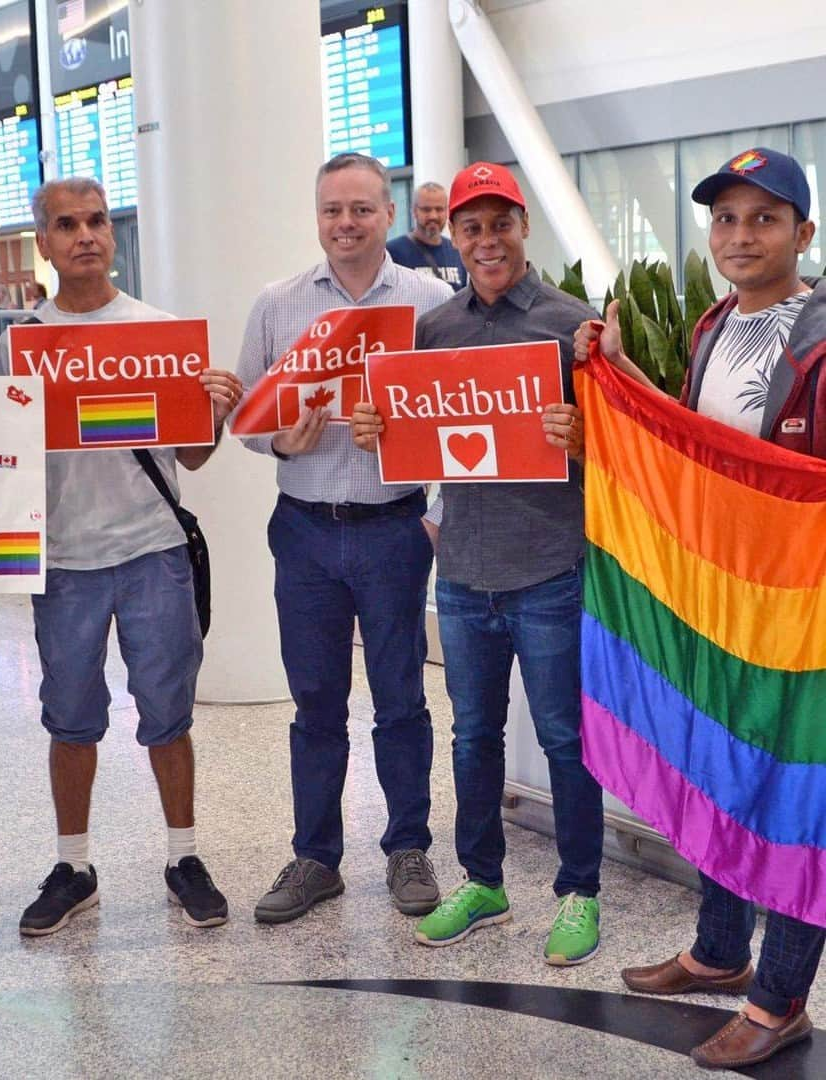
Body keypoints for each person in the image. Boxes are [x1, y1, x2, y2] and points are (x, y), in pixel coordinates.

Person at [575, 147, 825, 1070]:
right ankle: (721, 952)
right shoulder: (714, 327)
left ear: (803, 233)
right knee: (721, 766)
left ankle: (778, 999)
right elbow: (694, 452)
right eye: (726, 218)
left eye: (764, 218)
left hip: (805, 613)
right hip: (723, 598)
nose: (740, 234)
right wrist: (616, 380)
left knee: (801, 798)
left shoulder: (824, 334)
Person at [353, 161, 605, 965]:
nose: (486, 241)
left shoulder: (574, 325)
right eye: (471, 227)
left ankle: (580, 891)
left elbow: (619, 453)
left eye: (500, 224)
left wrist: (587, 440)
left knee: (567, 741)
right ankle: (485, 881)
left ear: (523, 227)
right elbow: (418, 434)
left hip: (550, 566)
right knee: (473, 738)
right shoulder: (436, 330)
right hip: (461, 571)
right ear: (453, 236)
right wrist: (378, 429)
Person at [0, 178, 240, 935]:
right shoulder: (16, 347)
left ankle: (183, 856)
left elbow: (193, 459)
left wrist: (216, 410)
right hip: (64, 559)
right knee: (70, 720)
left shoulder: (156, 333)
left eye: (97, 221)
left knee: (168, 717)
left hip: (152, 551)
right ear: (45, 243)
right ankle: (74, 866)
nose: (86, 236)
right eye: (66, 225)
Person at [237, 153, 452, 925]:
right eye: (333, 210)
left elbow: (459, 421)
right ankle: (316, 858)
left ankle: (407, 848)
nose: (346, 223)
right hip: (305, 532)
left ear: (389, 215)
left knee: (400, 699)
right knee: (316, 700)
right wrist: (283, 445)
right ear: (317, 215)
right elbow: (245, 423)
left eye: (361, 208)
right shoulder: (278, 304)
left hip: (394, 528)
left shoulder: (431, 303)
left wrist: (432, 515)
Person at [386, 181, 467, 292]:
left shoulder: (457, 250)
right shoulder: (392, 252)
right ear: (414, 211)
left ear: (447, 211)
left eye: (439, 209)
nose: (433, 216)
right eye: (426, 210)